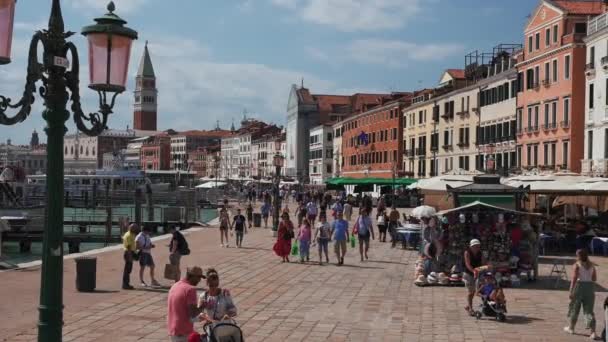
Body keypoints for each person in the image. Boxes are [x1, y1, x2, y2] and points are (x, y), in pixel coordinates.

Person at [564, 249, 598, 339]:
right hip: (590, 288)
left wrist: (571, 291)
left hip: (579, 287)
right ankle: (593, 332)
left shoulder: (577, 265)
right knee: (589, 310)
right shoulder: (592, 265)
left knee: (575, 307)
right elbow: (594, 279)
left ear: (579, 256)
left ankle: (571, 328)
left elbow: (574, 278)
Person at [167, 266, 206, 342]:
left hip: (173, 329)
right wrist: (203, 306)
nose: (199, 280)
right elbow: (193, 314)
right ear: (191, 276)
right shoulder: (190, 289)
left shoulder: (175, 285)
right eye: (198, 277)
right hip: (183, 331)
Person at [464, 239, 487, 315]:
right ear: (471, 247)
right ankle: (470, 309)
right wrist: (474, 271)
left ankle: (468, 306)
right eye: (474, 246)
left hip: (478, 272)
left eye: (478, 246)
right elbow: (467, 264)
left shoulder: (481, 253)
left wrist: (485, 267)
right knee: (471, 292)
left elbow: (483, 263)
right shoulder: (467, 252)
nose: (476, 247)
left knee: (481, 290)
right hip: (468, 273)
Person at [121, 223, 139, 290]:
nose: (137, 229)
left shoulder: (132, 234)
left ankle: (126, 283)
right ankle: (125, 284)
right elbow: (128, 247)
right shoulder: (128, 235)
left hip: (131, 252)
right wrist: (130, 256)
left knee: (128, 269)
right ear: (132, 228)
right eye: (135, 228)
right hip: (128, 253)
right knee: (127, 270)